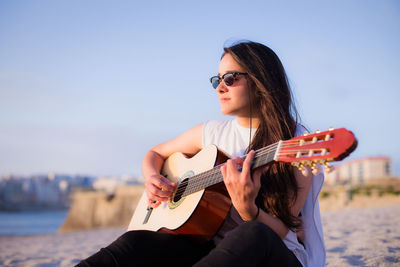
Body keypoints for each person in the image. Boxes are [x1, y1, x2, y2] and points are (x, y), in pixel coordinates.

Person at [77, 40, 326, 267]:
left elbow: (283, 231)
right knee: (134, 242)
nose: (220, 88)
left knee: (252, 234)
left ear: (261, 80)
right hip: (212, 253)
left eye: (230, 78)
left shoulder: (296, 142)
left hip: (276, 256)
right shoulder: (210, 134)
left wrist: (248, 208)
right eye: (216, 80)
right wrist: (152, 177)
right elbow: (155, 153)